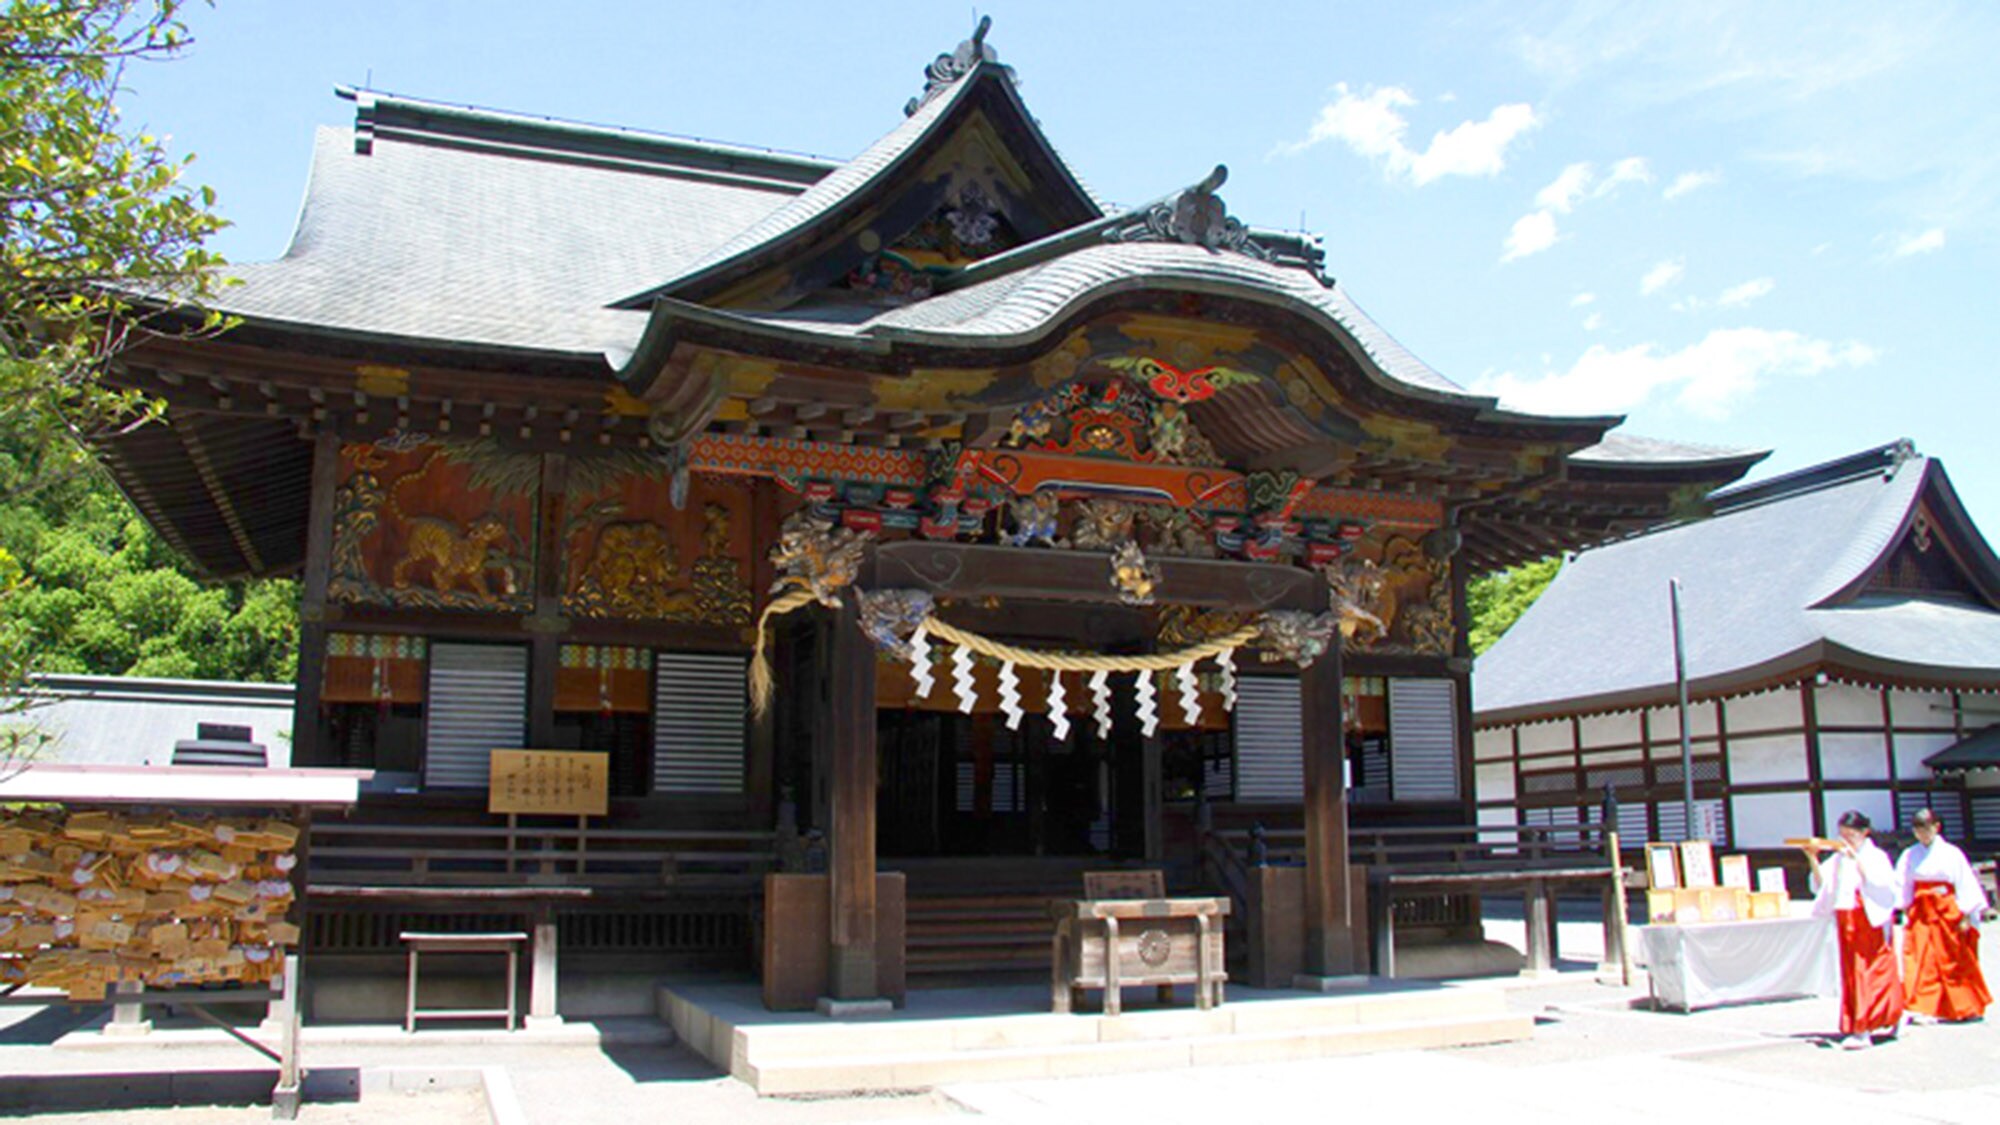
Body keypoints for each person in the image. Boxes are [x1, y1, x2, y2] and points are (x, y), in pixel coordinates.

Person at [1802, 810, 1904, 1048]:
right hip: (1847, 919)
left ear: (1864, 833)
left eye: (1851, 835)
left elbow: (1881, 884)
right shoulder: (1838, 858)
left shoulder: (1876, 856)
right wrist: (1813, 858)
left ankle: (1866, 1027)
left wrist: (1856, 859)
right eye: (1843, 835)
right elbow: (1822, 885)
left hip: (1868, 919)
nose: (1846, 840)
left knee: (1871, 969)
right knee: (1852, 972)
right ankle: (1866, 1021)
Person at [1895, 809, 1991, 1023]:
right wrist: (1903, 907)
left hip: (1947, 910)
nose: (1922, 834)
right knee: (1921, 958)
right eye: (1918, 830)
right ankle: (1924, 1007)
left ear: (1936, 827)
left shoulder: (1952, 853)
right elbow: (1902, 884)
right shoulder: (1909, 855)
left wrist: (1966, 914)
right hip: (1921, 911)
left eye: (1926, 828)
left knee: (1952, 958)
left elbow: (1965, 883)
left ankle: (1962, 1006)